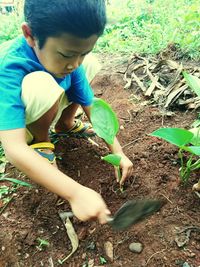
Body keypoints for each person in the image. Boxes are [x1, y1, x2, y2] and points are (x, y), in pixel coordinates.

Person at [0, 0, 133, 224]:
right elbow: (13, 148)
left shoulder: (72, 59)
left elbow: (90, 105)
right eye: (65, 54)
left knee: (88, 64)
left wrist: (117, 151)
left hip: (42, 101)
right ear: (29, 34)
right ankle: (41, 141)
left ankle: (66, 123)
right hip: (14, 120)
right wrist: (75, 193)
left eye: (82, 52)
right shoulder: (10, 66)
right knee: (40, 83)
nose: (74, 63)